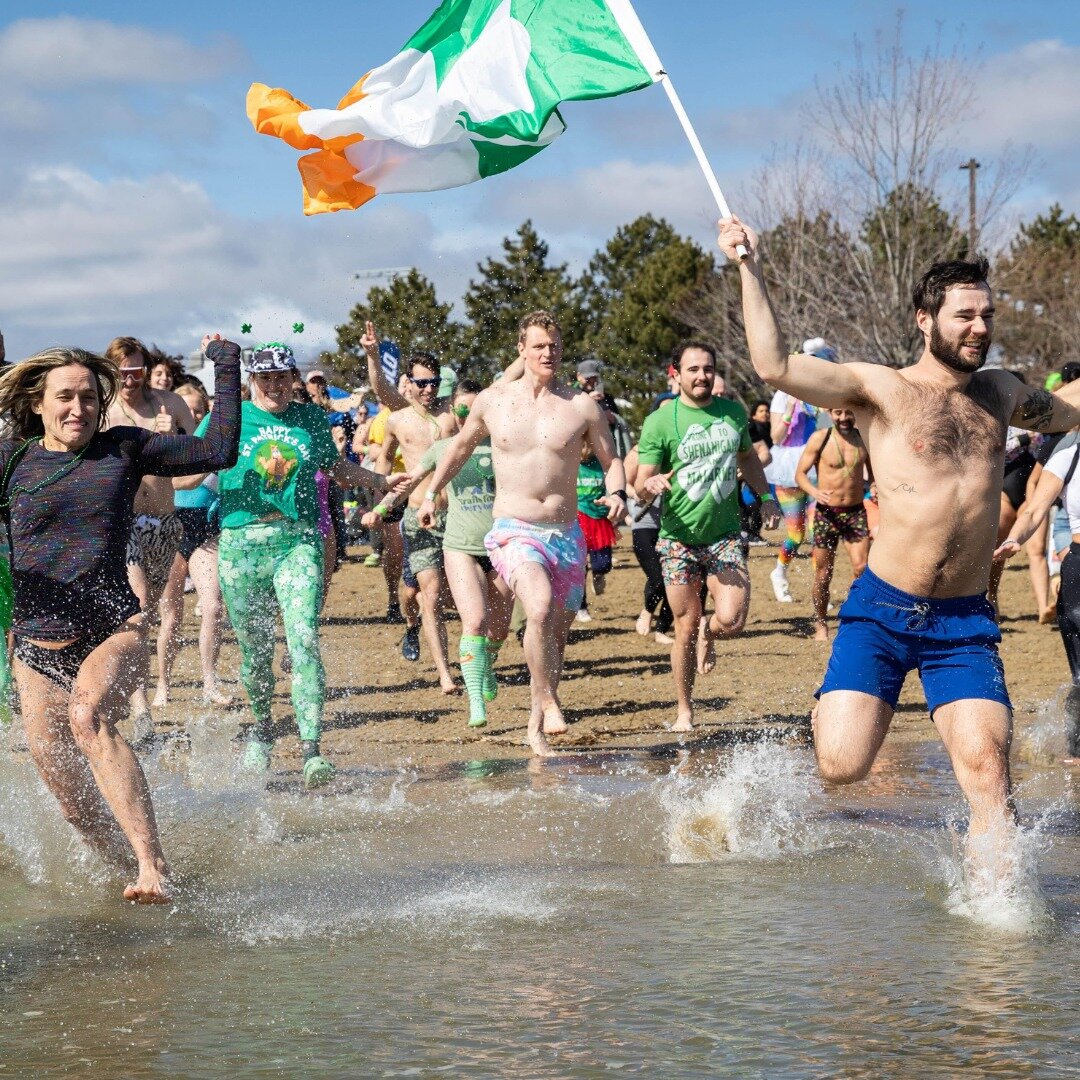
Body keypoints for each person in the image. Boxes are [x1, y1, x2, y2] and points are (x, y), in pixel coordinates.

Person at [720, 214, 1080, 850]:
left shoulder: (1000, 394)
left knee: (989, 775)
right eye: (965, 316)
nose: (980, 329)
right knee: (841, 766)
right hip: (882, 612)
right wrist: (748, 267)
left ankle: (996, 927)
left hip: (965, 624)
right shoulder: (880, 389)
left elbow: (1071, 409)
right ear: (926, 319)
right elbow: (773, 365)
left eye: (988, 315)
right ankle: (799, 736)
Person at [0, 335, 241, 902]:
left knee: (87, 717)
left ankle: (151, 864)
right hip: (33, 644)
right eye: (64, 397)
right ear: (38, 402)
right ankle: (127, 874)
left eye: (88, 397)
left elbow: (221, 450)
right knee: (71, 802)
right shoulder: (11, 458)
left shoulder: (125, 449)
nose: (77, 409)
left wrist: (226, 366)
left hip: (114, 626)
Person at [419, 310, 626, 756]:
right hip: (514, 530)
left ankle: (536, 721)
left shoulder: (581, 406)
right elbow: (458, 448)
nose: (548, 353)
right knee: (538, 605)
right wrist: (430, 493)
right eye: (539, 346)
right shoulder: (494, 400)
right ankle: (549, 701)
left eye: (554, 345)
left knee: (555, 635)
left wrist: (619, 492)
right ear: (522, 350)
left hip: (567, 533)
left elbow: (611, 461)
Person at [208, 342, 409, 787]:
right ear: (251, 381)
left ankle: (311, 748)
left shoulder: (311, 419)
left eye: (282, 377)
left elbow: (335, 468)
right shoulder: (230, 419)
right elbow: (191, 464)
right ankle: (262, 731)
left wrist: (378, 480)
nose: (275, 385)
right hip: (242, 543)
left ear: (293, 378)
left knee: (303, 638)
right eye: (266, 378)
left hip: (297, 540)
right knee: (256, 653)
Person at [635, 340, 779, 732]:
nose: (701, 376)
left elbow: (748, 457)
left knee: (732, 618)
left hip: (725, 536)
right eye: (693, 369)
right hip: (677, 538)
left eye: (708, 369)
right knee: (683, 625)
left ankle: (709, 633)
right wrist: (651, 483)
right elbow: (638, 484)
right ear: (675, 374)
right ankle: (685, 710)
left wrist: (766, 497)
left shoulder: (732, 414)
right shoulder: (661, 422)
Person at [369, 380, 514, 728]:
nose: (470, 415)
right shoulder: (444, 448)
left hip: (500, 545)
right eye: (463, 408)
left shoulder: (503, 447)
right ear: (454, 411)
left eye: (476, 408)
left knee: (499, 629)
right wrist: (382, 506)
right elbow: (411, 481)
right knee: (474, 621)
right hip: (460, 545)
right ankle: (475, 699)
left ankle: (486, 666)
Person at [104, 336, 197, 747]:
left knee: (151, 616)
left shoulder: (170, 404)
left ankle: (127, 688)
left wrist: (172, 437)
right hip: (124, 523)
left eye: (137, 370)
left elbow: (200, 453)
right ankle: (142, 717)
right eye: (123, 372)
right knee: (139, 608)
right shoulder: (104, 411)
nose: (131, 379)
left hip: (165, 522)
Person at [363, 323, 460, 687]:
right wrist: (380, 502)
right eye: (421, 383)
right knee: (415, 594)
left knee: (443, 595)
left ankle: (452, 667)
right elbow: (380, 390)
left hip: (457, 515)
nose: (428, 389)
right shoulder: (398, 417)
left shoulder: (451, 414)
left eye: (433, 382)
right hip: (413, 512)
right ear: (409, 383)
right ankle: (411, 626)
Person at [997, 430, 1080, 762]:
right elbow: (1034, 509)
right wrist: (1015, 538)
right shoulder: (1069, 450)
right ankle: (1076, 749)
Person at [153, 380, 232, 708]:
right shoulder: (166, 444)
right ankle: (163, 685)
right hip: (171, 527)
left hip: (206, 529)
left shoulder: (214, 442)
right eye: (190, 409)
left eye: (201, 410)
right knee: (171, 616)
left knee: (213, 606)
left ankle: (210, 683)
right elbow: (177, 481)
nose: (196, 414)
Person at [795, 408, 873, 641]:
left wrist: (875, 486)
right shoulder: (821, 438)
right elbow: (800, 474)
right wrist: (815, 492)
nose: (844, 418)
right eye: (838, 413)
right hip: (826, 514)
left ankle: (852, 615)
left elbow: (874, 473)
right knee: (823, 573)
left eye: (849, 413)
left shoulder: (863, 438)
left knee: (862, 568)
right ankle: (821, 624)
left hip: (855, 511)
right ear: (830, 412)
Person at [765, 338, 833, 603]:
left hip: (815, 463)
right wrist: (790, 409)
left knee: (819, 531)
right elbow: (776, 436)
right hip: (788, 466)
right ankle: (779, 572)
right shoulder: (782, 396)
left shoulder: (818, 395)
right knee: (796, 532)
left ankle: (820, 586)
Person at [624, 445, 674, 646]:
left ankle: (662, 629)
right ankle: (647, 610)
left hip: (672, 526)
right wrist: (638, 493)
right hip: (644, 524)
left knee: (675, 580)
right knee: (658, 578)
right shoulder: (638, 452)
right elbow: (623, 483)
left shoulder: (677, 447)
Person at [573, 443, 619, 623]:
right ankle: (581, 606)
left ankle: (599, 574)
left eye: (587, 448)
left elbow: (613, 482)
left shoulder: (601, 463)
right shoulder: (571, 463)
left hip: (599, 517)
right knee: (579, 566)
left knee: (603, 563)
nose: (583, 452)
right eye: (580, 448)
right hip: (578, 516)